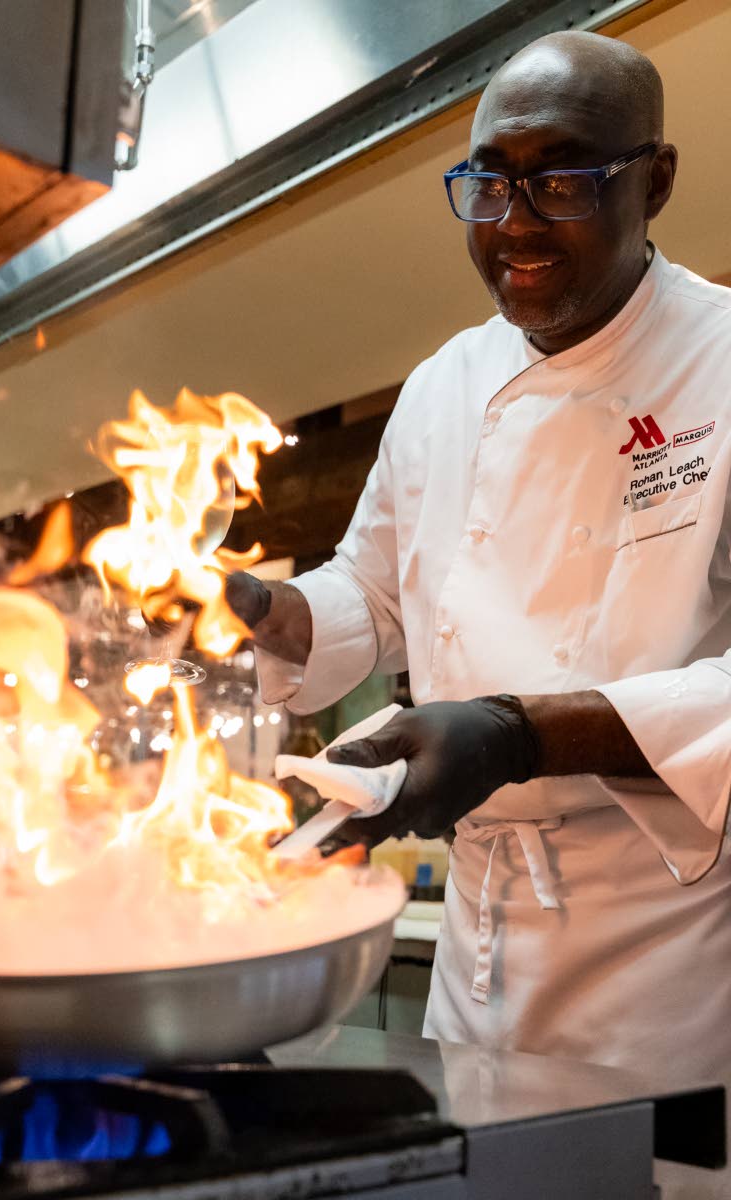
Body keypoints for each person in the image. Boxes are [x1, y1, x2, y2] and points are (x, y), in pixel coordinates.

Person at [227, 24, 731, 1160]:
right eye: (486, 184)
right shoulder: (444, 385)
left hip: (664, 964)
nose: (511, 226)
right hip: (477, 949)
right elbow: (371, 589)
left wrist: (515, 735)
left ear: (653, 180)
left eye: (559, 180)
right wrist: (271, 617)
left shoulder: (724, 362)